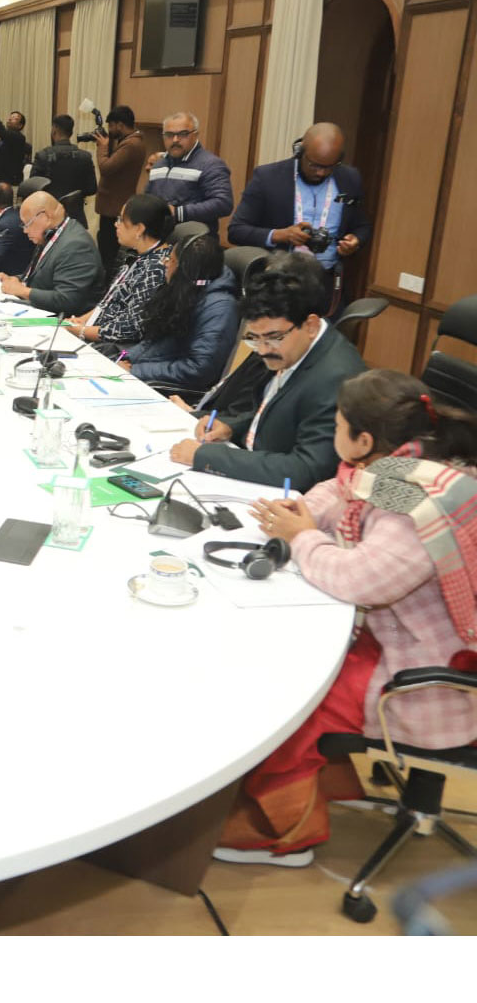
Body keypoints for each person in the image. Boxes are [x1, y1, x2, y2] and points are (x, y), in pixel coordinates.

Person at [214, 369, 477, 867]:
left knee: (296, 697)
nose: (333, 431)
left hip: (433, 670)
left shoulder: (415, 506)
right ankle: (323, 785)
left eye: (337, 424)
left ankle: (283, 833)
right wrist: (302, 512)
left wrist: (301, 537)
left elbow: (359, 581)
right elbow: (342, 493)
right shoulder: (407, 464)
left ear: (364, 440)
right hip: (400, 636)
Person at [170, 255, 368, 490]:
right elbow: (274, 411)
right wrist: (232, 426)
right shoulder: (291, 345)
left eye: (273, 338)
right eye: (255, 338)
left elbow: (307, 470)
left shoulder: (335, 378)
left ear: (311, 325)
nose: (263, 350)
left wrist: (205, 457)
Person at [229, 122, 371, 316]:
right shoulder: (268, 177)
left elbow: (362, 225)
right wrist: (280, 235)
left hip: (326, 283)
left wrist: (355, 240)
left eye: (329, 167)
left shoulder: (350, 178)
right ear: (299, 152)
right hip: (277, 282)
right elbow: (236, 230)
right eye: (314, 165)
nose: (321, 172)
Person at [115, 232, 240, 394]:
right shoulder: (186, 289)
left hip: (172, 389)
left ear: (185, 269)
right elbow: (152, 342)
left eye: (171, 260)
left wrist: (136, 371)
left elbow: (198, 369)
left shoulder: (220, 309)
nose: (166, 264)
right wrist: (123, 357)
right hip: (150, 371)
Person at [63, 194, 175, 346]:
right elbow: (109, 302)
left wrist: (82, 331)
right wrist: (81, 320)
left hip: (116, 347)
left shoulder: (157, 268)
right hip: (97, 332)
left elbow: (130, 328)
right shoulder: (137, 255)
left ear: (139, 229)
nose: (116, 224)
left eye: (121, 220)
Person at [0, 191, 105, 316]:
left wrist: (22, 291)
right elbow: (39, 278)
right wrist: (14, 279)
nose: (25, 230)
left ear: (45, 217)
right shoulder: (50, 235)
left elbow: (67, 300)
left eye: (27, 224)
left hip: (64, 321)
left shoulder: (76, 245)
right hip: (40, 311)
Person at [145, 111, 234, 228]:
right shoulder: (158, 164)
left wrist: (179, 213)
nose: (175, 140)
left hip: (194, 237)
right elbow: (148, 199)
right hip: (159, 234)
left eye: (183, 134)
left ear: (195, 135)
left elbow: (223, 203)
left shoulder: (211, 164)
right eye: (169, 135)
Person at [93, 105, 147, 278]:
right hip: (114, 205)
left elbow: (106, 168)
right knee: (107, 249)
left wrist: (102, 147)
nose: (109, 130)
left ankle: (106, 285)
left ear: (120, 125)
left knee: (108, 252)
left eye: (111, 126)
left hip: (114, 208)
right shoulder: (131, 141)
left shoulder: (130, 145)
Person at [31, 115, 98, 231]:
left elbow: (33, 188)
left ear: (54, 130)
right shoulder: (85, 157)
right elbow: (92, 189)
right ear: (71, 133)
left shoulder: (42, 156)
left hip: (49, 218)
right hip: (76, 219)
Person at [0, 107, 30, 186]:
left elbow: (2, 133)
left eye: (15, 118)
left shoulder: (19, 137)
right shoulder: (4, 140)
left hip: (10, 181)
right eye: (10, 117)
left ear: (20, 125)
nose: (10, 119)